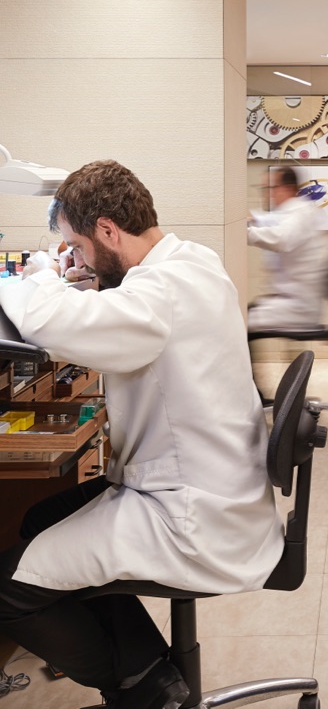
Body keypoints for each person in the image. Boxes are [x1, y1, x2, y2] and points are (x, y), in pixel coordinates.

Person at [0, 160, 284, 709]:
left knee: (7, 591)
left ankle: (140, 688)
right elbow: (120, 311)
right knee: (39, 518)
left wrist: (32, 278)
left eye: (78, 246)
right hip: (213, 485)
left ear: (108, 229)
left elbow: (62, 323)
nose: (77, 260)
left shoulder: (157, 296)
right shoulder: (191, 262)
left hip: (189, 514)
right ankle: (148, 670)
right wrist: (85, 276)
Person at [246, 165, 328, 333]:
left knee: (239, 321)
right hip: (289, 300)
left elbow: (281, 239)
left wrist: (243, 233)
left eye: (270, 188)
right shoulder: (293, 210)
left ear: (288, 188)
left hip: (299, 306)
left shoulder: (301, 213)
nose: (268, 193)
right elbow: (271, 220)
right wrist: (251, 219)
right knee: (244, 313)